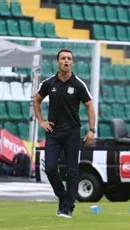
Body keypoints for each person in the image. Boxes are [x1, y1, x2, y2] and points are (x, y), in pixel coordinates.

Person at [33, 49, 95, 218]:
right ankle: (63, 196)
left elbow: (89, 105)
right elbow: (36, 100)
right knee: (50, 167)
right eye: (63, 58)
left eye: (69, 59)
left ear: (72, 63)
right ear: (57, 62)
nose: (66, 61)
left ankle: (67, 207)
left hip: (72, 133)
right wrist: (41, 121)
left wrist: (91, 130)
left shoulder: (78, 84)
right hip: (53, 132)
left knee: (72, 171)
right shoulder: (49, 83)